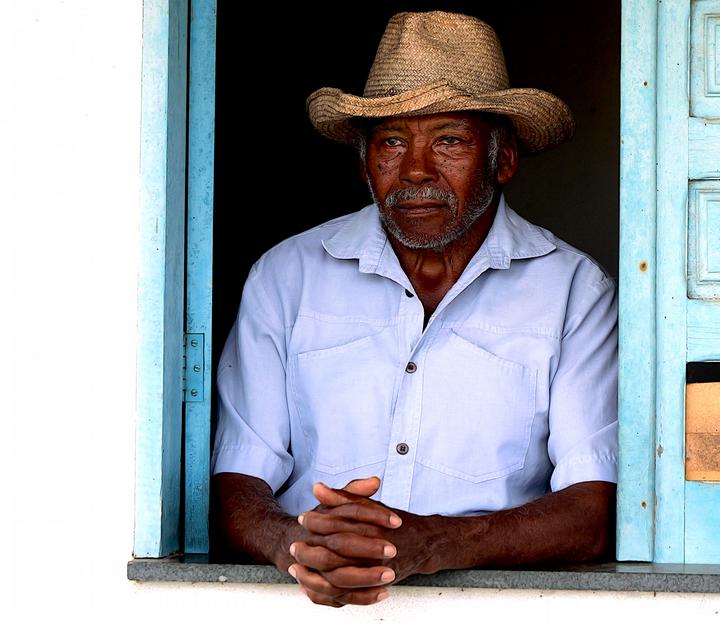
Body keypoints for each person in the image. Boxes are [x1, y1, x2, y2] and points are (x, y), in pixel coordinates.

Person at [210, 11, 617, 608]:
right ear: (365, 162)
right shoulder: (286, 275)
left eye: (450, 140)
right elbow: (236, 477)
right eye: (392, 142)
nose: (416, 171)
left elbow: (593, 510)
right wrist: (294, 543)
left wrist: (436, 542)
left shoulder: (574, 290)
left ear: (503, 160)